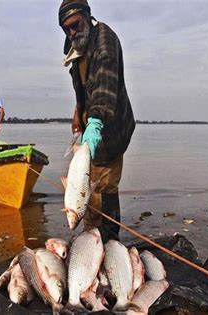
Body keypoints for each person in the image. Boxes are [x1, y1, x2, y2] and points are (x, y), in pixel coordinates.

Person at [58, 0, 136, 243]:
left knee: (104, 188)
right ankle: (92, 237)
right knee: (90, 190)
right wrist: (78, 110)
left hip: (110, 128)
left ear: (87, 16)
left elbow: (102, 86)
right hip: (91, 121)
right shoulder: (76, 44)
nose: (72, 32)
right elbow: (86, 86)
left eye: (75, 25)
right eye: (66, 28)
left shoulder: (104, 41)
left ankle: (108, 241)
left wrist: (95, 124)